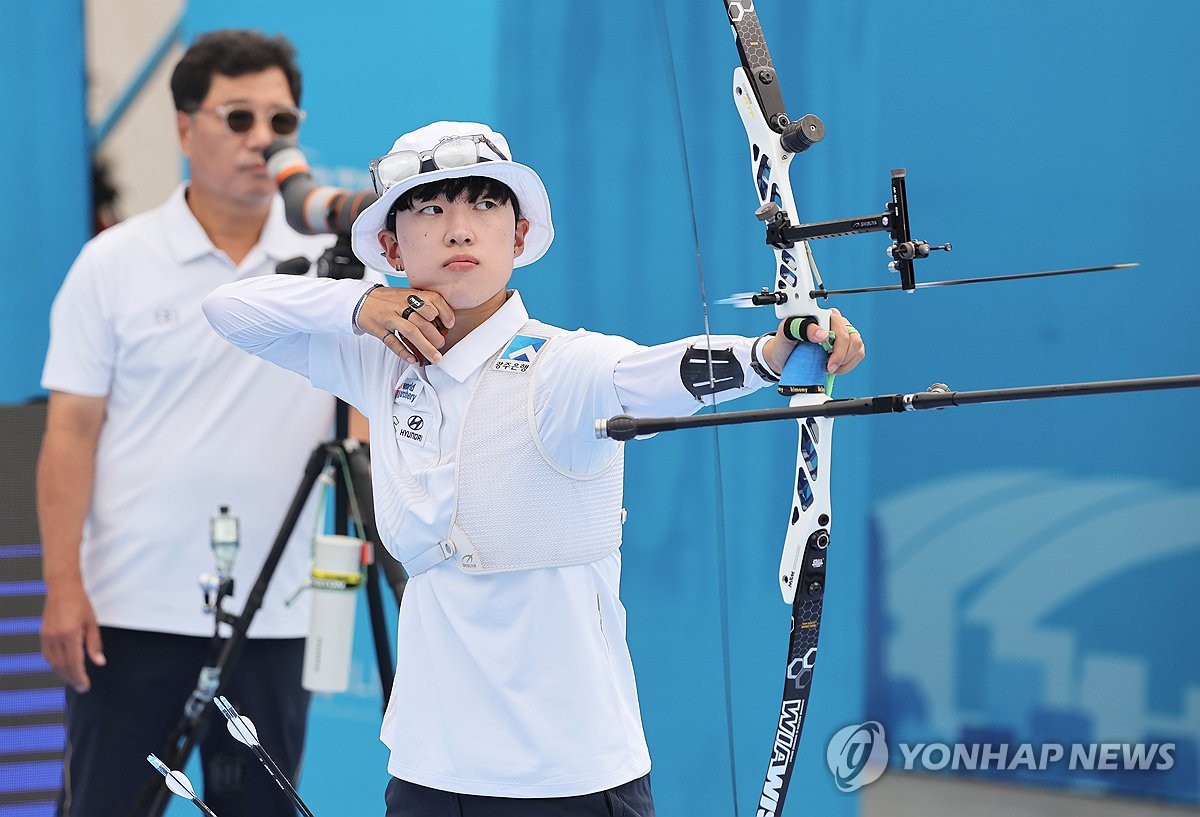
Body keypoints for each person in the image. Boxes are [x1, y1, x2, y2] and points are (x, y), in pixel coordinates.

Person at [202, 120, 866, 816]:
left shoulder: (564, 365)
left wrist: (773, 351)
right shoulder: (378, 361)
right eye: (430, 207)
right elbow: (228, 309)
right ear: (392, 246)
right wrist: (362, 303)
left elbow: (650, 373)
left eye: (484, 205)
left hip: (572, 780)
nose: (459, 229)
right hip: (430, 775)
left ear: (518, 237)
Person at [38, 30, 338, 817]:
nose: (262, 141)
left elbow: (365, 417)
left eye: (280, 122)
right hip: (130, 609)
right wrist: (63, 584)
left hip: (277, 610)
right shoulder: (114, 262)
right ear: (183, 128)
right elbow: (70, 430)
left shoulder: (334, 266)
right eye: (237, 117)